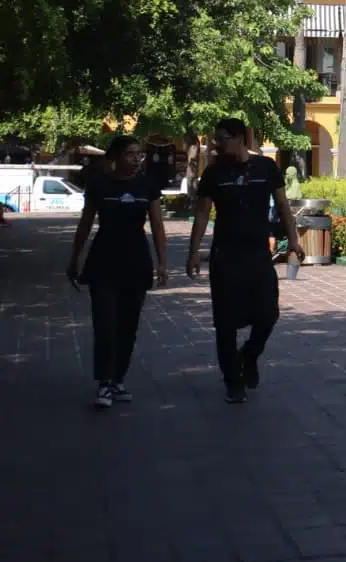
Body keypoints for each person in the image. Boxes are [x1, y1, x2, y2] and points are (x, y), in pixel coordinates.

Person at [187, 119, 302, 404]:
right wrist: (193, 251)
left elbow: (284, 206)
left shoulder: (265, 168)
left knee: (268, 314)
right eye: (216, 139)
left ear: (240, 138)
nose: (217, 144)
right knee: (225, 324)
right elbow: (202, 213)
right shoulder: (213, 173)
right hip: (225, 256)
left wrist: (294, 240)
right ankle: (232, 381)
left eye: (223, 138)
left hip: (258, 256)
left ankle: (249, 355)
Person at [67, 135, 168, 409]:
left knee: (128, 325)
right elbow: (85, 224)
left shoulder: (147, 185)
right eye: (131, 154)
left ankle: (118, 378)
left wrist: (162, 262)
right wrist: (75, 258)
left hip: (136, 262)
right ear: (116, 156)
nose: (136, 160)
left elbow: (158, 226)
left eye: (139, 155)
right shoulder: (100, 184)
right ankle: (104, 381)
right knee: (105, 325)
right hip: (103, 261)